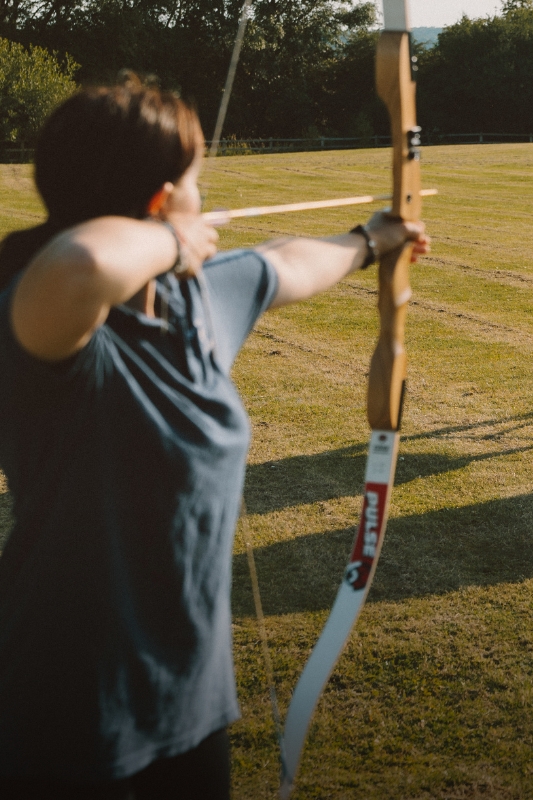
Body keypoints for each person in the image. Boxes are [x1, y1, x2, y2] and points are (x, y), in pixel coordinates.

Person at [0, 77, 428, 799]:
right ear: (164, 200)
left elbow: (283, 264)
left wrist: (371, 240)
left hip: (190, 698)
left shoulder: (194, 298)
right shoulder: (46, 326)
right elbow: (82, 264)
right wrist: (169, 239)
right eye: (197, 180)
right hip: (63, 706)